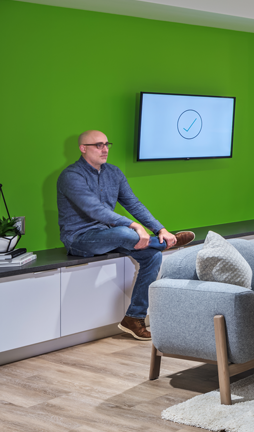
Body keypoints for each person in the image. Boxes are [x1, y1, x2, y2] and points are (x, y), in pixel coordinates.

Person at [57, 130, 195, 341]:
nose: (105, 150)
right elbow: (95, 210)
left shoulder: (113, 172)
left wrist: (161, 230)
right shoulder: (71, 176)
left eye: (106, 144)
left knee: (152, 256)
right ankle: (165, 245)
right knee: (125, 232)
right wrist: (134, 226)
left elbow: (133, 203)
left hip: (109, 235)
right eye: (98, 145)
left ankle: (134, 318)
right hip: (80, 239)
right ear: (82, 148)